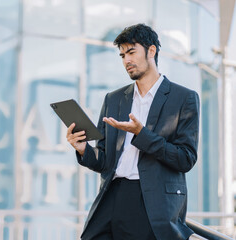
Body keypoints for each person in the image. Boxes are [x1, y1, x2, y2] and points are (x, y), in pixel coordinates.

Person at [66, 23, 200, 240]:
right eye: (122, 55)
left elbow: (186, 158)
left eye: (131, 52)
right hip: (111, 196)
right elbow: (104, 161)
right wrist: (83, 150)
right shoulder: (114, 99)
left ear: (152, 51)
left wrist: (142, 135)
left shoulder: (183, 98)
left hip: (149, 201)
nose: (126, 60)